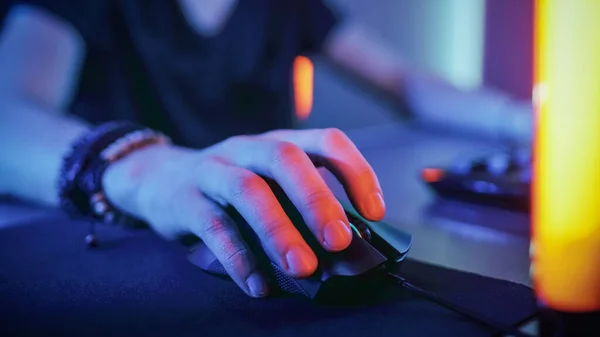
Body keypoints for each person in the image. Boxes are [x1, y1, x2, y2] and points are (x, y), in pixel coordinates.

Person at [0, 0, 532, 298]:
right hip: (112, 242)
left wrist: (531, 121)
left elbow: (405, 80)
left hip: (270, 231)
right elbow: (8, 116)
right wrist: (148, 170)